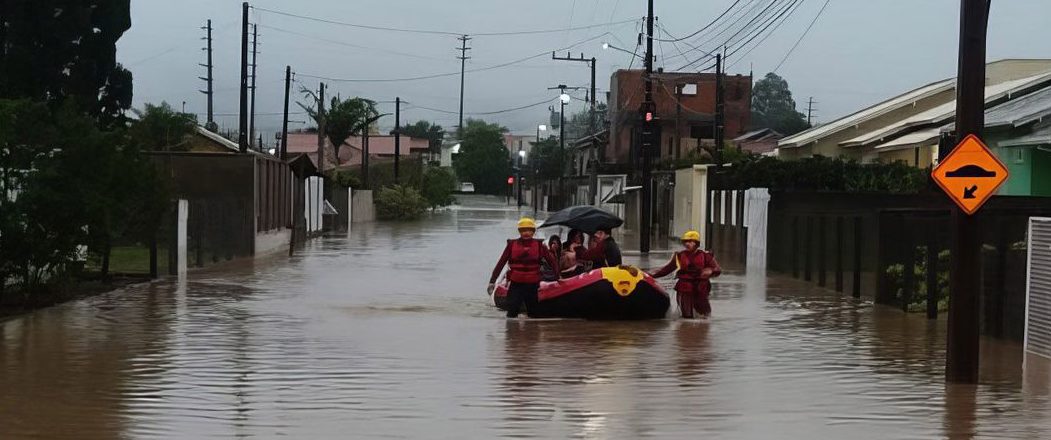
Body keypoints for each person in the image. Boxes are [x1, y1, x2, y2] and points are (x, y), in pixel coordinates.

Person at [488, 218, 560, 318]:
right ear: (519, 231)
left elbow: (552, 262)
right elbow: (501, 263)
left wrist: (558, 277)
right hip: (516, 284)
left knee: (533, 313)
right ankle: (512, 332)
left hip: (532, 284)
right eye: (523, 230)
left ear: (533, 232)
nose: (526, 233)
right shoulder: (511, 245)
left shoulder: (540, 246)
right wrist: (492, 281)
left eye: (529, 230)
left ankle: (531, 332)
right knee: (512, 313)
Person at [648, 231, 722, 319]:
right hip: (684, 287)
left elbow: (717, 269)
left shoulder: (706, 256)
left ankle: (702, 330)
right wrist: (651, 275)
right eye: (686, 242)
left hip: (701, 287)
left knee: (704, 314)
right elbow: (667, 269)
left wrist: (710, 271)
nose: (687, 244)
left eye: (690, 241)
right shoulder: (679, 256)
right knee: (686, 316)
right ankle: (685, 330)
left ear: (696, 243)